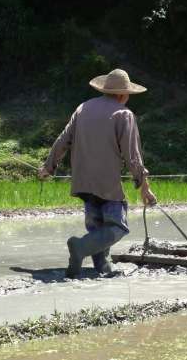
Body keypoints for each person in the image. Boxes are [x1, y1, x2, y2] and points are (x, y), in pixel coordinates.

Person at [39, 69, 157, 278]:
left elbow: (63, 140)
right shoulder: (124, 114)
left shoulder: (83, 108)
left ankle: (102, 267)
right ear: (122, 95)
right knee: (117, 227)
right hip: (107, 184)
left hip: (83, 182)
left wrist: (48, 167)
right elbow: (133, 156)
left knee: (97, 228)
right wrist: (144, 186)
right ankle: (81, 247)